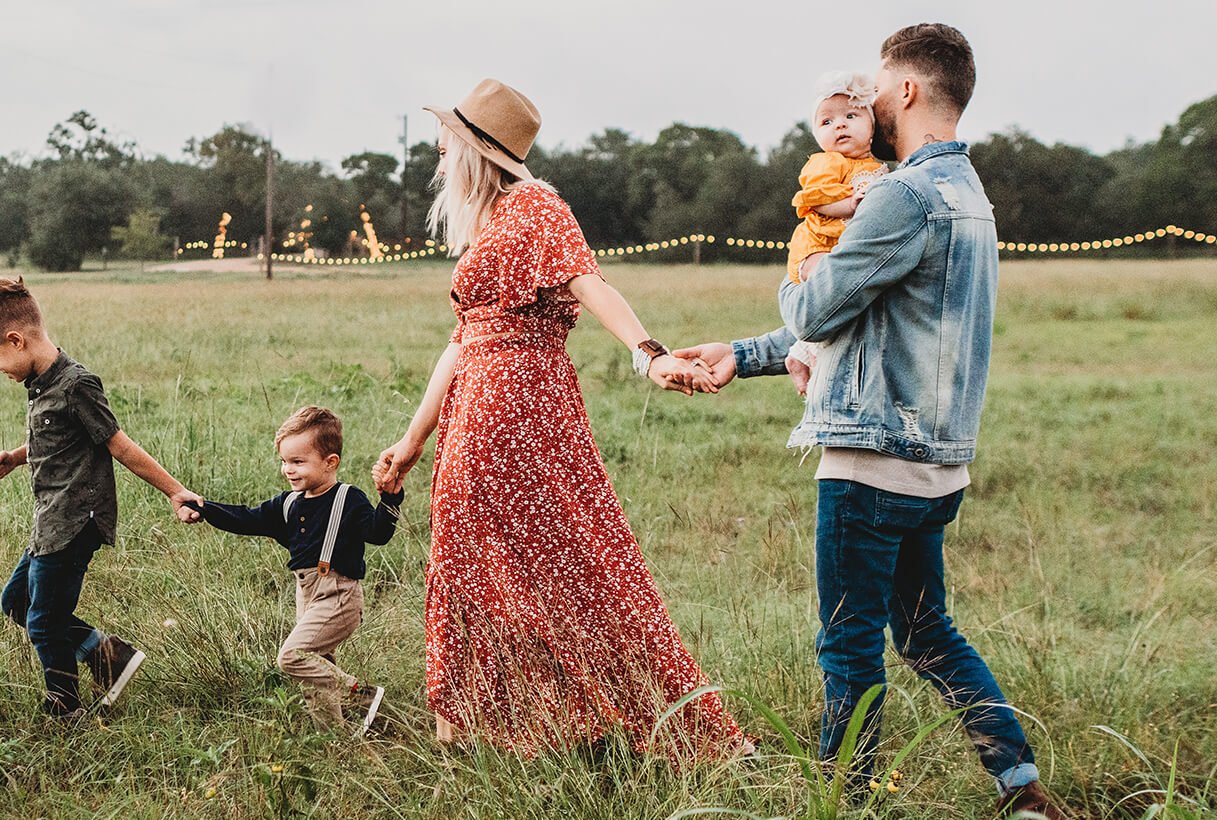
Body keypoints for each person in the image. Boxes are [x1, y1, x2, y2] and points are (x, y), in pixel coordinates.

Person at [674, 24, 1064, 818]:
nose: (869, 102)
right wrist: (743, 354)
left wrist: (802, 266)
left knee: (849, 648)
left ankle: (841, 805)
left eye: (878, 89)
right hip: (938, 466)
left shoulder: (901, 194)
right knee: (926, 635)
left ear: (910, 91)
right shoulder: (969, 196)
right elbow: (865, 321)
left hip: (869, 464)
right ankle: (1020, 790)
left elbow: (818, 304)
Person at [370, 78, 747, 760]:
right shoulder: (488, 222)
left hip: (518, 404)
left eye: (445, 142)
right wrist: (412, 438)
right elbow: (462, 341)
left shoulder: (536, 206)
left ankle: (609, 718)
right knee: (472, 558)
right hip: (477, 404)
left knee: (570, 559)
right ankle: (485, 726)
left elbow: (590, 281)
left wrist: (649, 354)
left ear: (476, 149)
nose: (436, 153)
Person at [0, 276, 204, 718]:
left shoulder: (76, 385)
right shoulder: (40, 385)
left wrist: (176, 492)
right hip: (50, 519)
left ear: (16, 340)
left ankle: (65, 707)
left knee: (43, 621)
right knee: (16, 602)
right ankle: (108, 656)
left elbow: (119, 445)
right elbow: (54, 442)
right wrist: (15, 458)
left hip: (76, 520)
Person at [183, 406, 402, 734]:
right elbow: (245, 518)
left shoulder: (348, 499)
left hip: (339, 596)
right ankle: (335, 740)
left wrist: (390, 498)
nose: (288, 469)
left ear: (331, 463)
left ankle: (360, 695)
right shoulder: (287, 504)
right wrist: (204, 508)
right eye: (285, 461)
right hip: (307, 595)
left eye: (298, 462)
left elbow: (379, 534)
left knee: (293, 657)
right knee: (316, 673)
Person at [784, 71, 888, 395]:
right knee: (827, 288)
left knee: (845, 299)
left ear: (872, 127)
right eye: (826, 122)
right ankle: (807, 354)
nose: (839, 125)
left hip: (841, 246)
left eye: (851, 116)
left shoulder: (877, 167)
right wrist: (850, 204)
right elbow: (816, 200)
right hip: (816, 244)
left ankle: (803, 353)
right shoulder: (827, 163)